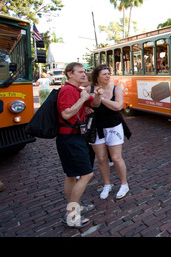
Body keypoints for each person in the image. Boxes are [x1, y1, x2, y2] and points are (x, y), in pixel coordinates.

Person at [56, 62, 102, 228]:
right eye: (80, 72)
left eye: (85, 72)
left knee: (71, 175)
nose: (84, 75)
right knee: (86, 175)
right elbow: (66, 113)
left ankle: (74, 206)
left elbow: (95, 104)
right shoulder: (68, 90)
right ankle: (71, 214)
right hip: (70, 138)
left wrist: (96, 95)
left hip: (71, 138)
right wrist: (82, 100)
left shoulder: (77, 90)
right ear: (69, 74)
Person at [90, 64, 131, 200]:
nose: (108, 76)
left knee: (115, 157)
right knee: (101, 158)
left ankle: (124, 184)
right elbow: (93, 105)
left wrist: (102, 99)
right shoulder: (89, 89)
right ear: (97, 76)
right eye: (104, 74)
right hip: (97, 127)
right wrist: (94, 100)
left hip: (114, 126)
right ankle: (107, 185)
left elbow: (118, 106)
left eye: (108, 74)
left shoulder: (116, 89)